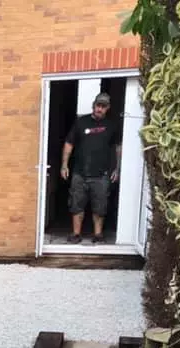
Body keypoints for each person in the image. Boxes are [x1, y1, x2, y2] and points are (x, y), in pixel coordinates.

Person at [60, 92, 121, 244]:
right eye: (98, 105)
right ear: (94, 105)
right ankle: (76, 234)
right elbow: (69, 143)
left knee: (100, 207)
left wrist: (117, 168)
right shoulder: (81, 122)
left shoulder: (111, 126)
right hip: (79, 173)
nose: (100, 109)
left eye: (103, 107)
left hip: (101, 175)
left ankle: (98, 235)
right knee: (76, 204)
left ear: (108, 108)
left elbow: (118, 147)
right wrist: (64, 165)